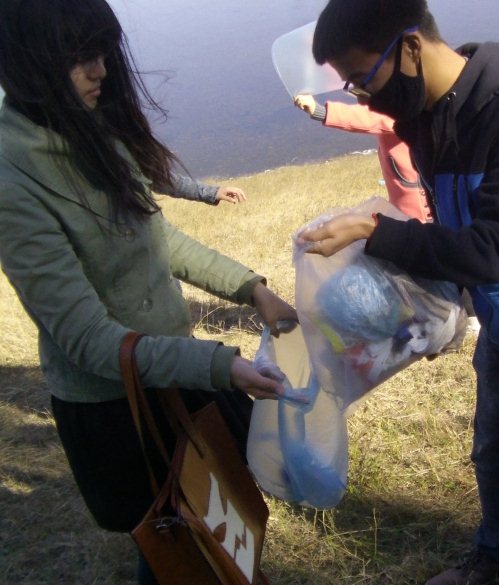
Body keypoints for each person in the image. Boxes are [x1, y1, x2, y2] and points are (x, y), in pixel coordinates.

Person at [299, 1, 499, 584]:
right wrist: (428, 309)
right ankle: (497, 555)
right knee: (494, 452)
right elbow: (454, 230)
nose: (363, 97)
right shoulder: (425, 116)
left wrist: (378, 232)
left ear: (409, 47)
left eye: (361, 78)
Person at [0, 1, 296, 583]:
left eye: (102, 52)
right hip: (116, 406)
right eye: (79, 57)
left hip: (172, 371)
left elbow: (156, 237)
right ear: (29, 63)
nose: (101, 70)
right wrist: (220, 365)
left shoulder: (89, 126)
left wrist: (250, 289)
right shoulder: (13, 182)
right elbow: (89, 341)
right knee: (169, 542)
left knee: (215, 516)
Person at [293, 93, 431, 222]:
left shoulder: (404, 102)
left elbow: (371, 117)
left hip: (419, 208)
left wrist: (321, 111)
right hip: (404, 200)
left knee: (420, 233)